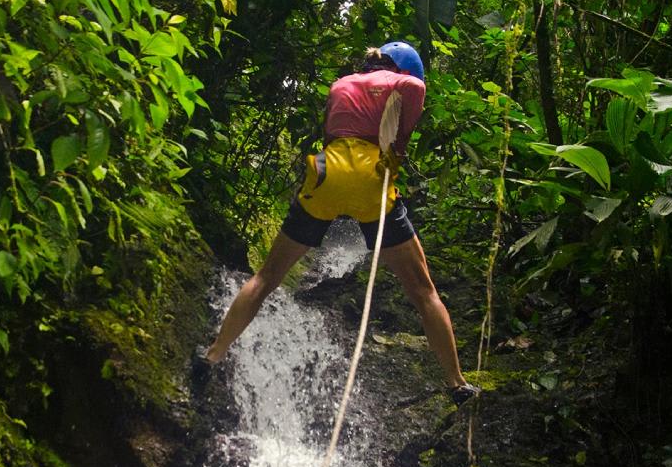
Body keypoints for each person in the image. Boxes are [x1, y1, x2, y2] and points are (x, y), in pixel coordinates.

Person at [202, 41, 479, 406]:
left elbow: (334, 131)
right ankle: (457, 383)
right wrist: (399, 143)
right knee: (424, 292)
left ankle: (213, 355)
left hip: (326, 174)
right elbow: (414, 88)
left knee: (267, 277)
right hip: (371, 179)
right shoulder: (403, 82)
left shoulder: (341, 84)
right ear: (403, 68)